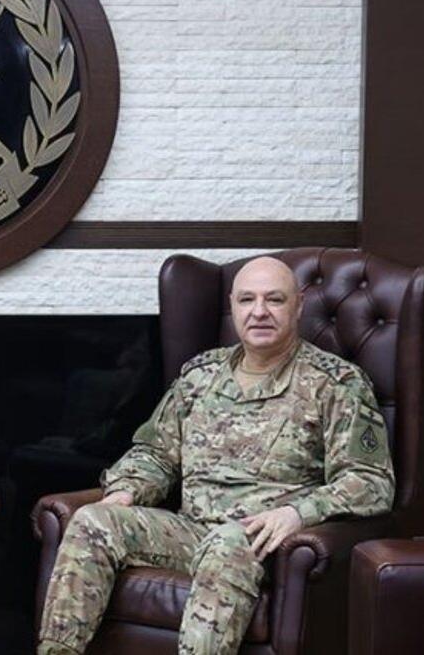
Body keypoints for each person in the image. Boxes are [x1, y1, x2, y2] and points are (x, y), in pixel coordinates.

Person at [38, 257, 395, 655]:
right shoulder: (200, 375)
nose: (259, 311)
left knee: (229, 541)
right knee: (93, 519)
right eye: (247, 300)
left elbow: (371, 481)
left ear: (298, 306)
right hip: (190, 531)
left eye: (274, 299)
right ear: (232, 307)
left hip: (263, 542)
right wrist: (127, 491)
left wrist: (298, 513)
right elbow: (156, 453)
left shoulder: (336, 384)